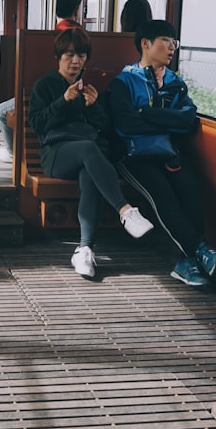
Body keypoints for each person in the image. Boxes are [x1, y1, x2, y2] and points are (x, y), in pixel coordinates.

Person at [109, 19, 216, 290]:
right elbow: (127, 124)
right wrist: (167, 119)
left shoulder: (176, 83)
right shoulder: (124, 81)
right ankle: (199, 252)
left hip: (167, 152)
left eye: (174, 42)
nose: (172, 47)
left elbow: (187, 121)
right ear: (146, 44)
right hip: (133, 155)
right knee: (162, 194)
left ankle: (187, 260)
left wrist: (147, 114)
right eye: (166, 40)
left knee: (192, 189)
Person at [27, 27, 155, 280]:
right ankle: (126, 212)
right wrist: (63, 100)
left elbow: (105, 128)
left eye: (82, 56)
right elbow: (38, 124)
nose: (76, 61)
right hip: (55, 154)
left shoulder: (91, 85)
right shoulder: (45, 85)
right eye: (70, 55)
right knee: (88, 149)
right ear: (58, 56)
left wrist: (95, 106)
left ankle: (85, 249)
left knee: (89, 173)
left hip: (89, 155)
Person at [0, 0, 86, 164]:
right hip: (75, 92)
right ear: (77, 9)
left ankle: (13, 152)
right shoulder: (82, 34)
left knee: (2, 110)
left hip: (50, 93)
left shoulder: (54, 34)